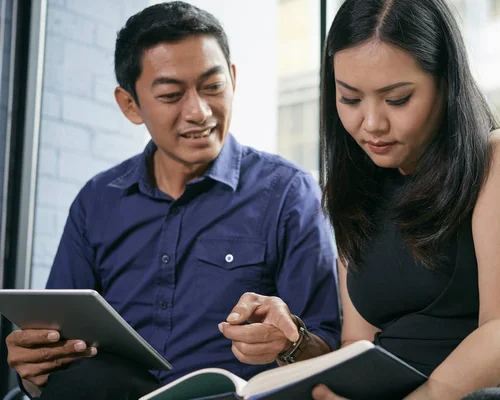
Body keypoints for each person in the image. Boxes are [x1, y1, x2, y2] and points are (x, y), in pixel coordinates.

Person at [220, 0, 500, 399]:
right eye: (350, 99)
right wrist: (293, 343)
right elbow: (360, 353)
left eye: (397, 99)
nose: (371, 123)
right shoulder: (360, 196)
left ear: (446, 83)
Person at [5, 2, 341, 399]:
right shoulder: (97, 201)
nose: (199, 112)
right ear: (130, 105)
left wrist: (292, 342)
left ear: (233, 79)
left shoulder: (288, 193)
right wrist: (34, 372)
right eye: (170, 95)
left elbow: (328, 351)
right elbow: (57, 345)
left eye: (213, 87)